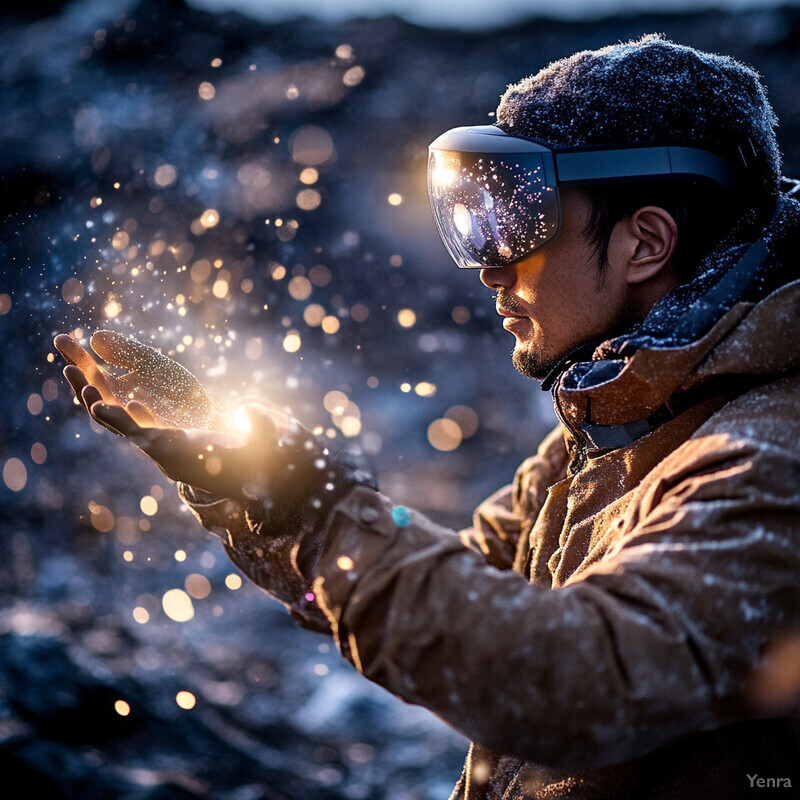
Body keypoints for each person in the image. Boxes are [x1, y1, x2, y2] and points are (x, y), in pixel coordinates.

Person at [56, 35, 800, 799]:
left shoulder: (765, 460)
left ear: (646, 242)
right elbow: (459, 592)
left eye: (519, 221)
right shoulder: (615, 425)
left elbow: (573, 687)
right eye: (475, 222)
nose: (489, 266)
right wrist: (260, 494)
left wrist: (321, 510)